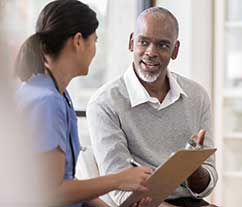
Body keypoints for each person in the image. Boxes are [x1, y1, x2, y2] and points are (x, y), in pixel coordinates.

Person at [15, 1, 152, 206]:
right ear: (78, 41)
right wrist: (118, 180)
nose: (95, 50)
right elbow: (52, 192)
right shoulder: (47, 102)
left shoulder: (56, 94)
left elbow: (66, 183)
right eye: (95, 40)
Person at [87, 6, 218, 207]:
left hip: (189, 201)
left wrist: (195, 171)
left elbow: (207, 182)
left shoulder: (197, 96)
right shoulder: (104, 103)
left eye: (163, 45)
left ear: (175, 50)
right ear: (132, 42)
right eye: (144, 42)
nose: (151, 52)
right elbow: (120, 191)